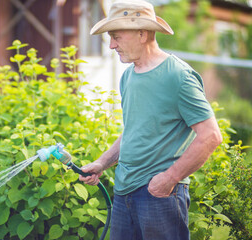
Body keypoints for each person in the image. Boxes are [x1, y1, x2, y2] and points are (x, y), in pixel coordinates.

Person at [79, 0, 222, 239]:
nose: (112, 45)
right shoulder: (128, 76)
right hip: (124, 192)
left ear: (142, 33)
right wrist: (102, 163)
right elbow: (134, 131)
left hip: (159, 195)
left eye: (117, 37)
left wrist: (169, 179)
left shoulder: (178, 76)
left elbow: (210, 136)